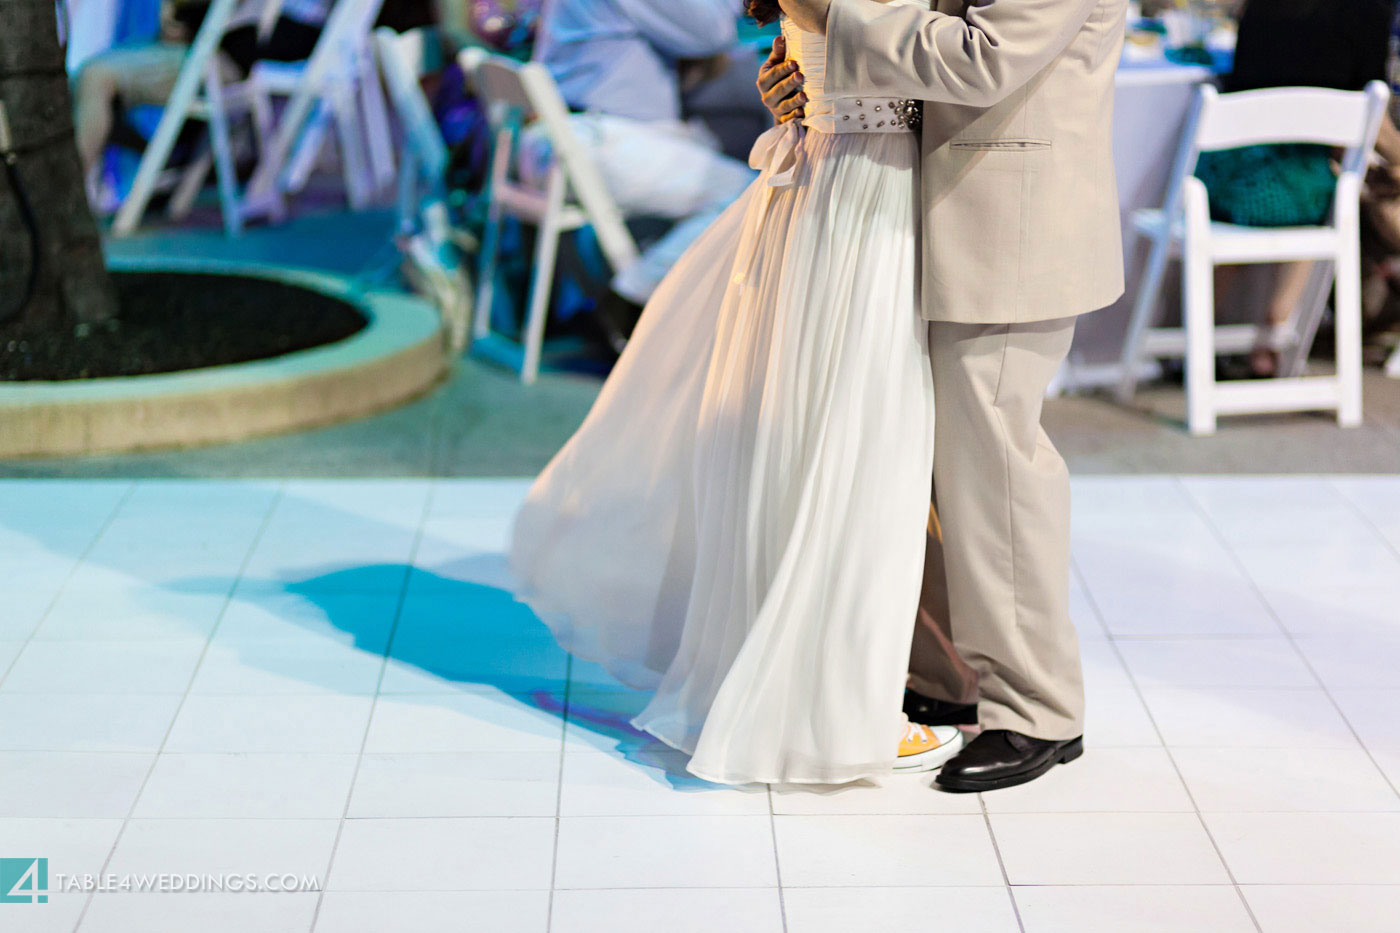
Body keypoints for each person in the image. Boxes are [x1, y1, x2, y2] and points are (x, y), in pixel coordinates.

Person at [512, 2, 964, 785]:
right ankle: (832, 704)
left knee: (813, 440)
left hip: (828, 177)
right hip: (864, 189)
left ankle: (797, 674)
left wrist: (798, 70)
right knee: (854, 447)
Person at [760, 0, 1127, 791]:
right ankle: (950, 671)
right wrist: (814, 73)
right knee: (922, 458)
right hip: (925, 207)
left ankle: (1035, 708)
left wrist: (832, 17)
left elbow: (985, 56)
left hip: (1009, 216)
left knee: (994, 470)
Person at [529, 0, 759, 344]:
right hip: (590, 144)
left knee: (717, 145)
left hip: (559, 138)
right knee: (750, 193)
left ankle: (675, 307)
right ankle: (632, 300)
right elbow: (713, 32)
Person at [1195, 0, 1400, 376]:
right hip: (1300, 194)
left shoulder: (1262, 7)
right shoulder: (1369, 10)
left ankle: (1199, 334)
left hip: (1226, 183)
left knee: (1258, 194)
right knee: (1324, 188)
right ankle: (1272, 334)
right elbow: (1368, 108)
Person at [73, 0, 331, 207]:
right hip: (200, 45)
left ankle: (66, 198)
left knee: (94, 78)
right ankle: (153, 157)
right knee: (81, 80)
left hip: (218, 55)